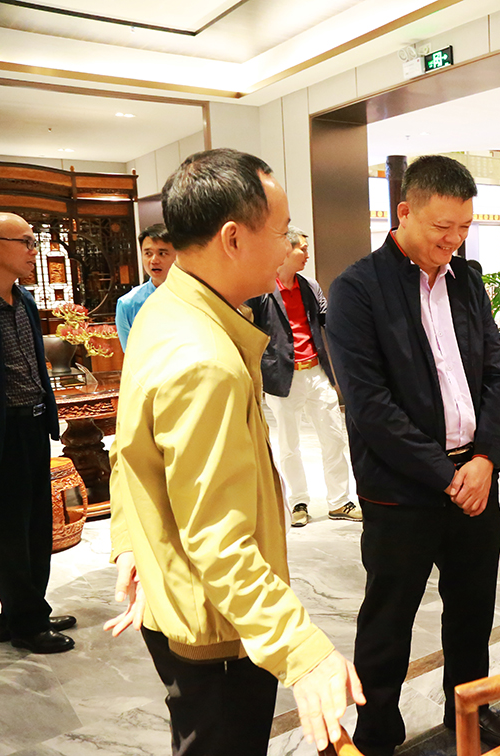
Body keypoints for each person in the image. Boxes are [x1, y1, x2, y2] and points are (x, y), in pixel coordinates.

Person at [105, 149, 363, 755]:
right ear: (232, 238)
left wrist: (133, 542)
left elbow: (131, 451)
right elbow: (218, 541)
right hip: (219, 626)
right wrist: (303, 652)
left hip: (183, 598)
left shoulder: (167, 308)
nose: (289, 247)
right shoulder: (204, 359)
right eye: (281, 231)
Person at [326, 155, 500, 756]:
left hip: (475, 478)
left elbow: (496, 375)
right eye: (442, 227)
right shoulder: (358, 289)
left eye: (464, 227)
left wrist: (483, 460)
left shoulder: (468, 280)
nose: (453, 240)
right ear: (404, 212)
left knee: (472, 615)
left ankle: (470, 718)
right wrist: (447, 476)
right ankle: (377, 735)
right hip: (401, 490)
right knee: (387, 623)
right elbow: (370, 405)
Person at [0, 212, 76, 654]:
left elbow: (35, 368)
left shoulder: (23, 299)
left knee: (36, 527)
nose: (33, 250)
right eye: (24, 241)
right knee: (7, 532)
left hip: (32, 425)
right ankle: (27, 623)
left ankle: (21, 614)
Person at [246, 225, 359, 527]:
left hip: (316, 372)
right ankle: (298, 502)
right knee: (289, 445)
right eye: (302, 248)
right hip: (282, 377)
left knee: (333, 437)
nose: (307, 254)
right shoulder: (262, 289)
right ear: (286, 249)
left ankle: (339, 501)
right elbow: (249, 329)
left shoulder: (310, 286)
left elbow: (327, 319)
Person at [115, 223, 175, 350]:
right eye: (148, 253)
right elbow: (130, 354)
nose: (154, 260)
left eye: (162, 253)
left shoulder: (193, 296)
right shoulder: (127, 304)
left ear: (177, 255)